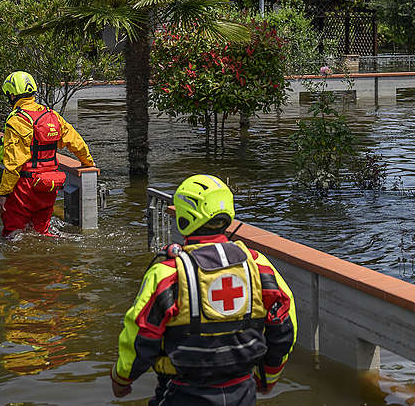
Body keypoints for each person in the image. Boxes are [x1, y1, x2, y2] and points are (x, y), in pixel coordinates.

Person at [111, 174, 297, 405]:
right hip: (243, 391)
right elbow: (284, 324)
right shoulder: (258, 265)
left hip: (182, 392)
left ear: (184, 217)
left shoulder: (167, 274)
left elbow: (140, 334)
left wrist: (122, 378)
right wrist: (268, 376)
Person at [0, 70, 94, 237]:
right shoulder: (52, 116)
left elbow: (13, 164)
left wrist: (3, 193)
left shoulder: (17, 121)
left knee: (13, 233)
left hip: (25, 187)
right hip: (49, 186)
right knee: (41, 231)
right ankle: (47, 262)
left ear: (12, 95)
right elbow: (76, 142)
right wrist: (88, 163)